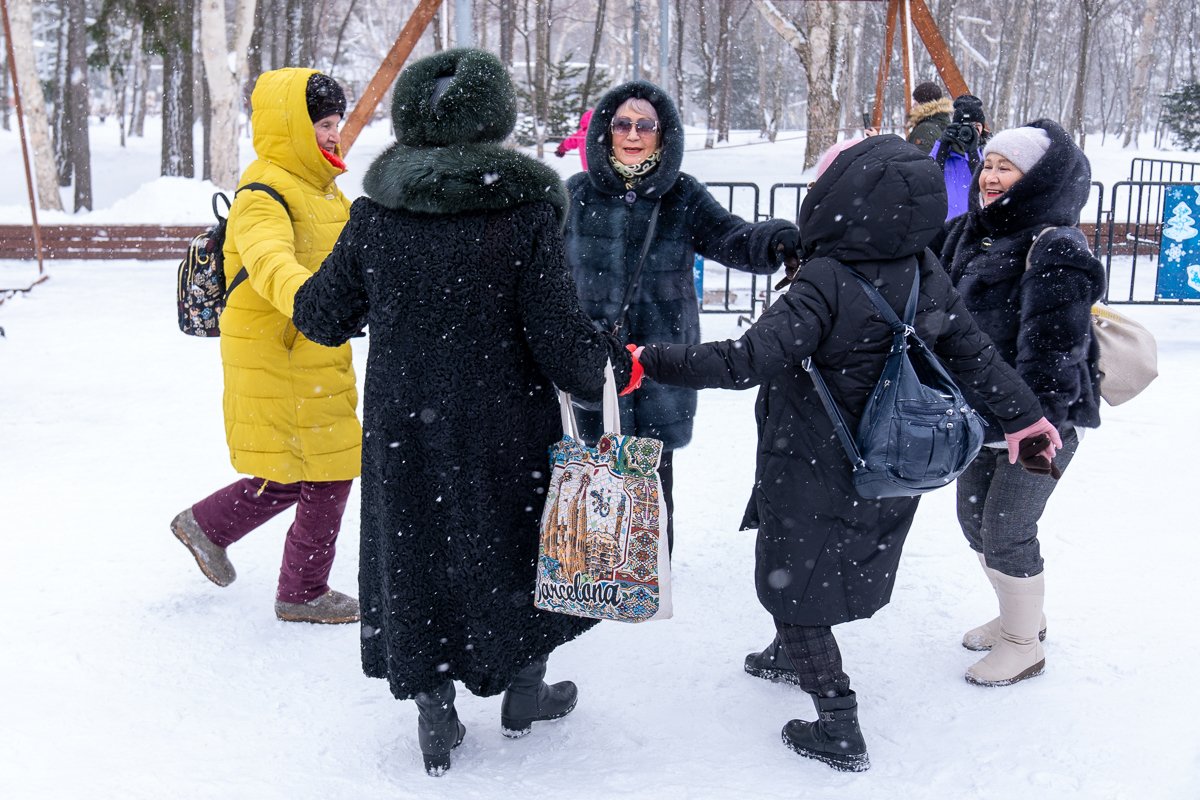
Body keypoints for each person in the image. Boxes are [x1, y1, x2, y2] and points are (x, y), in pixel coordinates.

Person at [625, 135, 1056, 771]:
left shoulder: (827, 279)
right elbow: (973, 352)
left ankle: (837, 722)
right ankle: (785, 653)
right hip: (883, 458)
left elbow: (745, 360)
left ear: (845, 196)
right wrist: (1026, 419)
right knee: (815, 565)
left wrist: (645, 360)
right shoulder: (919, 265)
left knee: (795, 586)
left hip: (813, 459)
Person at [289, 49, 635, 777]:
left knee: (417, 553)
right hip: (505, 423)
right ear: (495, 115)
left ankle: (435, 715)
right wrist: (610, 360)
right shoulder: (527, 213)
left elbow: (320, 317)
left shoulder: (377, 215)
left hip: (405, 426)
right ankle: (524, 692)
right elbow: (561, 344)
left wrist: (381, 297)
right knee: (515, 546)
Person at [562, 80, 800, 551]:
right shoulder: (577, 194)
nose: (633, 134)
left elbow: (733, 237)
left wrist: (776, 240)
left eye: (644, 125)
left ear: (662, 133)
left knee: (652, 462)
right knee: (588, 460)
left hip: (660, 354)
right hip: (590, 352)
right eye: (622, 124)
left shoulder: (682, 194)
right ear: (606, 132)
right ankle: (589, 563)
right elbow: (536, 262)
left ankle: (649, 565)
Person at [169, 69, 361, 625]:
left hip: (313, 349)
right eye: (321, 124)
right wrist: (311, 303)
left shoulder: (323, 189)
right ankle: (302, 592)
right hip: (283, 350)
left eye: (335, 123)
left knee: (301, 465)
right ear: (293, 128)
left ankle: (207, 527)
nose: (332, 134)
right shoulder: (264, 192)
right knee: (328, 467)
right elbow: (270, 260)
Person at [938, 120, 1104, 687]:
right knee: (973, 519)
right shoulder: (968, 232)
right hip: (978, 416)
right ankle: (1021, 615)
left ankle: (1022, 644)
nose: (989, 176)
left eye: (1005, 167)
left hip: (1039, 421)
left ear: (1035, 178)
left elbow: (1055, 351)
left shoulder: (1056, 244)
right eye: (987, 165)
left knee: (1007, 528)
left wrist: (1034, 425)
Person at [930, 94, 988, 220]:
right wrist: (942, 144)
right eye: (966, 127)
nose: (970, 132)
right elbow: (929, 176)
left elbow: (984, 182)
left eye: (976, 127)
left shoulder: (989, 153)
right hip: (945, 226)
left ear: (983, 128)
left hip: (973, 225)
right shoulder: (944, 153)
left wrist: (972, 152)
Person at [906, 81, 952, 154]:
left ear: (924, 105)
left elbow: (918, 161)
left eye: (915, 103)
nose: (913, 106)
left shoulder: (924, 129)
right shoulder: (942, 121)